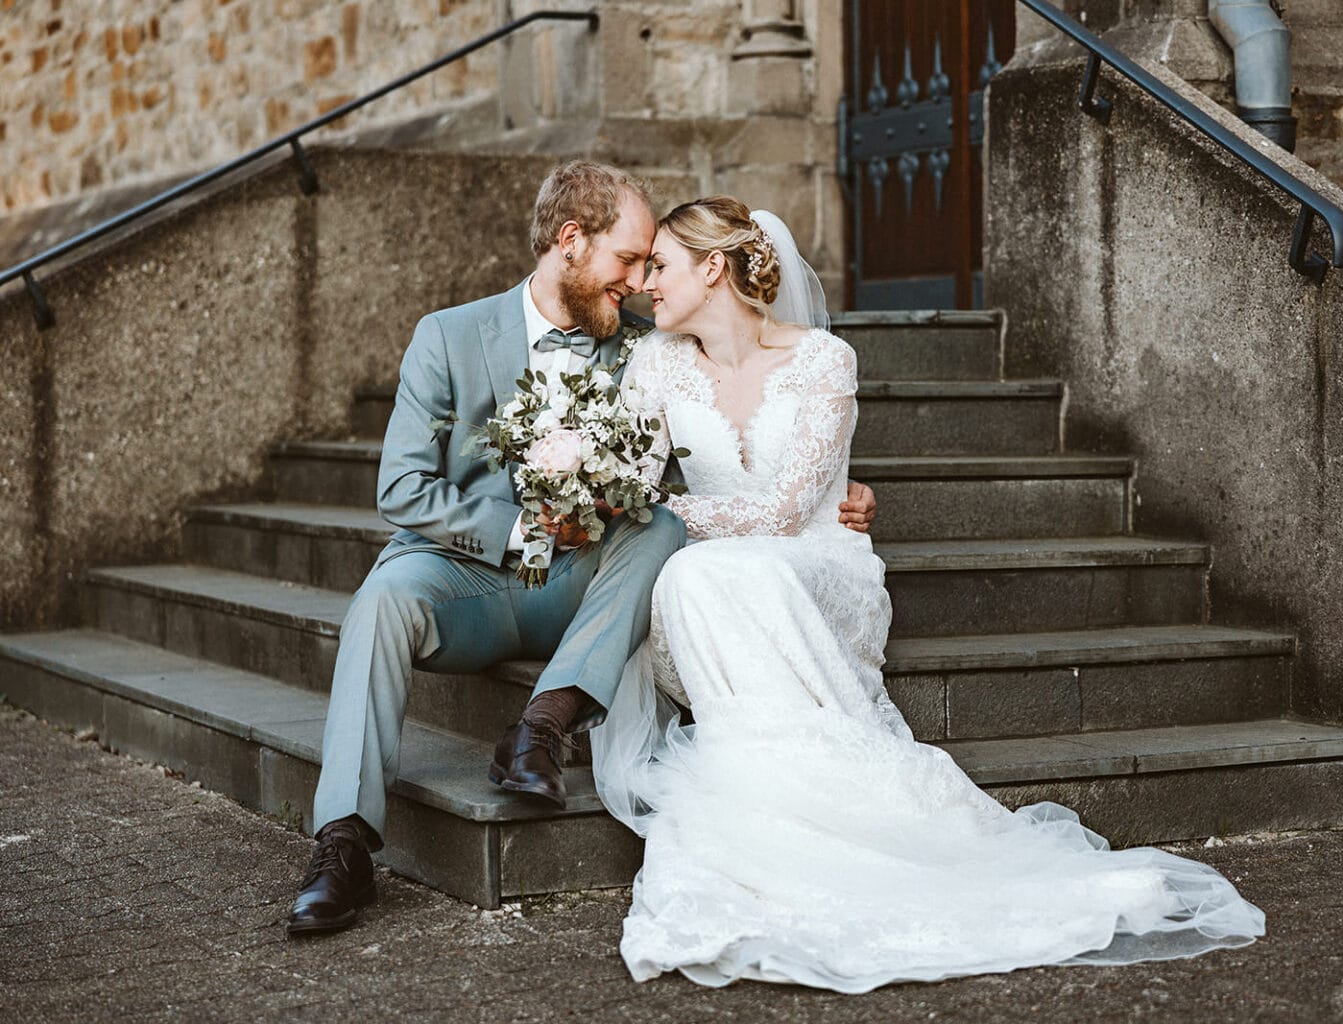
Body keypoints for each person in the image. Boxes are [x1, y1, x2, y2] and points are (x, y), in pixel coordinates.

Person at [591, 197, 1267, 991]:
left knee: (714, 567)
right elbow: (619, 485)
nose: (644, 286)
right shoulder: (653, 363)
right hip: (719, 584)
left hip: (815, 565)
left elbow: (782, 512)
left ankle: (800, 816)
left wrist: (662, 509)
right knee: (705, 571)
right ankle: (782, 802)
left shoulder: (821, 362)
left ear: (714, 267)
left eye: (660, 266)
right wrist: (613, 494)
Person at [287, 163, 879, 936]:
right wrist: (516, 531)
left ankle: (542, 725)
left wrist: (847, 488)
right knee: (381, 600)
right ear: (570, 241)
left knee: (660, 527)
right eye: (628, 260)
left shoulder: (647, 346)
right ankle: (343, 844)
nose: (638, 283)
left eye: (649, 266)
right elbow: (401, 490)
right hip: (467, 578)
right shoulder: (449, 337)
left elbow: (732, 440)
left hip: (588, 585)